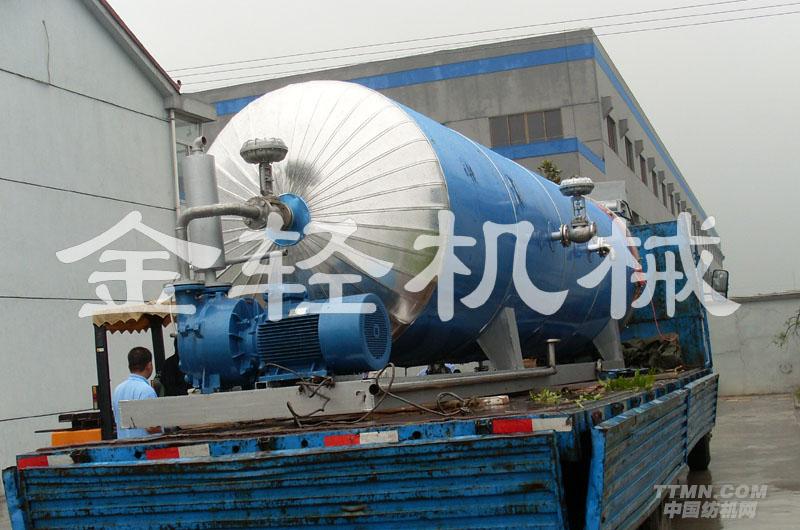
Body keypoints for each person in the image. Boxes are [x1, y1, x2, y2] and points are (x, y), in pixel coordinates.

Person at [112, 347, 161, 439]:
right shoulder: (146, 390)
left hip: (123, 445)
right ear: (149, 365)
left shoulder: (118, 390)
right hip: (144, 446)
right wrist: (168, 427)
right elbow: (151, 427)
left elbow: (117, 421)